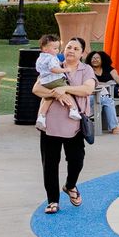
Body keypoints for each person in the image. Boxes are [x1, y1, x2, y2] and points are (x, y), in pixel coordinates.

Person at [35, 37, 95, 214]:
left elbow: (87, 90)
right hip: (51, 123)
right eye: (69, 47)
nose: (71, 50)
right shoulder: (52, 63)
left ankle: (70, 185)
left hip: (74, 125)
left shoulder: (86, 69)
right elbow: (37, 89)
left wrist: (65, 89)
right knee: (50, 164)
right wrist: (57, 94)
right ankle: (52, 200)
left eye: (76, 49)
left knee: (76, 160)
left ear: (82, 53)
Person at [84, 50, 119, 134]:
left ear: (102, 59)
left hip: (115, 86)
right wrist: (106, 83)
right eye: (93, 58)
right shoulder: (89, 69)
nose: (94, 60)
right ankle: (115, 125)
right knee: (115, 88)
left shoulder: (108, 68)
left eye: (97, 58)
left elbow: (116, 77)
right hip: (105, 90)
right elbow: (94, 82)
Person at [33, 35, 82, 129]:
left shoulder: (40, 58)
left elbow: (40, 69)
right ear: (45, 49)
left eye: (58, 48)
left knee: (48, 99)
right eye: (55, 48)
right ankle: (73, 109)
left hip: (45, 82)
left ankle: (41, 117)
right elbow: (53, 69)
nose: (57, 51)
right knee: (67, 92)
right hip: (55, 79)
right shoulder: (51, 58)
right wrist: (65, 70)